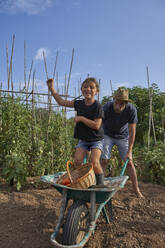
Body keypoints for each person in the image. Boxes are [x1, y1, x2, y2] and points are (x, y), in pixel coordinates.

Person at [47, 77, 105, 186]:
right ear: (81, 90)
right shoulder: (79, 104)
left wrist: (81, 118)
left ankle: (100, 185)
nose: (88, 89)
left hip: (96, 139)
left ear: (97, 91)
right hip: (83, 139)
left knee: (94, 162)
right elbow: (61, 102)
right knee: (77, 162)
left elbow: (96, 125)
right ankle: (82, 183)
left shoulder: (98, 106)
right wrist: (52, 89)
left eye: (91, 87)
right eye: (85, 87)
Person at [101, 87, 143, 197]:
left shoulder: (131, 110)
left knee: (129, 162)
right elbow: (98, 124)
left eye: (121, 104)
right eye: (116, 103)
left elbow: (132, 131)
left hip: (123, 137)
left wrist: (130, 151)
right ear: (114, 100)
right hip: (107, 134)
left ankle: (136, 189)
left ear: (126, 103)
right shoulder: (107, 107)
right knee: (104, 160)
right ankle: (98, 185)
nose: (118, 106)